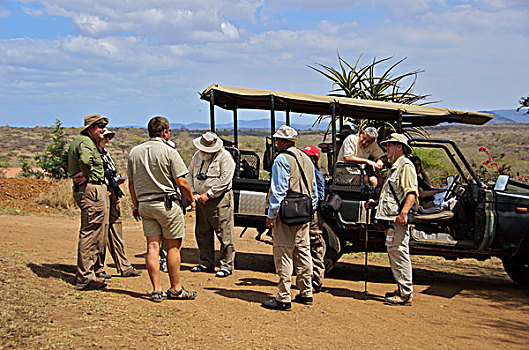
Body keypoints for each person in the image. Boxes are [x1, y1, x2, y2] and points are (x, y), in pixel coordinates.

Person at [127, 116, 197, 302]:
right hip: (167, 204)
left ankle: (156, 289)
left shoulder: (135, 152)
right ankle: (175, 288)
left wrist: (136, 205)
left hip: (145, 204)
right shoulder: (169, 151)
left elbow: (132, 184)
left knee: (152, 246)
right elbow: (181, 181)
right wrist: (190, 200)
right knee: (173, 247)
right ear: (165, 132)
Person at [261, 125, 318, 311]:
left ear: (284, 142)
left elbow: (279, 190)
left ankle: (284, 296)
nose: (276, 142)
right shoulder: (307, 160)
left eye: (278, 139)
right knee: (303, 251)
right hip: (304, 212)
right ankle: (306, 291)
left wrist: (271, 213)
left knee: (283, 253)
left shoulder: (281, 159)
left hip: (286, 213)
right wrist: (310, 209)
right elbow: (314, 190)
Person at [367, 133, 418, 305]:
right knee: (395, 252)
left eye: (390, 145)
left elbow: (411, 192)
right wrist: (376, 202)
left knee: (400, 253)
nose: (386, 148)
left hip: (397, 219)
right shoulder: (396, 166)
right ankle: (402, 288)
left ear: (399, 147)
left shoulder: (405, 166)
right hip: (391, 218)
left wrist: (404, 213)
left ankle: (405, 293)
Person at [64, 114, 109, 290]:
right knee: (91, 232)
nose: (102, 130)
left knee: (95, 230)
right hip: (91, 190)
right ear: (90, 128)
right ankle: (85, 276)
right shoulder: (85, 142)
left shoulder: (81, 141)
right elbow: (85, 160)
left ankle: (91, 271)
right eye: (99, 127)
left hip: (90, 189)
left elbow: (67, 160)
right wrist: (86, 174)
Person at [186, 132, 236, 277]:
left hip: (219, 200)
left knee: (224, 233)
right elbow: (189, 174)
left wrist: (209, 194)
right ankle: (206, 263)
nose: (203, 152)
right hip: (200, 200)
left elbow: (225, 180)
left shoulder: (225, 157)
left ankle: (226, 265)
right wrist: (193, 192)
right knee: (202, 232)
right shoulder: (197, 156)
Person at [97, 128, 142, 278]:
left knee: (116, 227)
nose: (107, 140)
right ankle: (98, 267)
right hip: (103, 192)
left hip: (113, 192)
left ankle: (123, 266)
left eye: (109, 137)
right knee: (101, 230)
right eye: (105, 137)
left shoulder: (106, 154)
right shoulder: (94, 154)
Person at [302, 145, 326, 293]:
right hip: (307, 212)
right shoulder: (307, 172)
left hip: (311, 214)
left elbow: (319, 196)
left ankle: (316, 280)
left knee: (315, 244)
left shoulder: (316, 175)